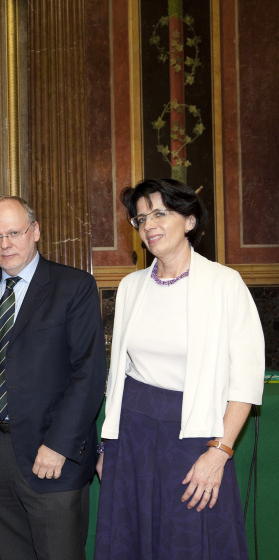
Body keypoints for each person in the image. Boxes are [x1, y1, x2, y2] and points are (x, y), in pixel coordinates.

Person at [94, 179, 264, 559]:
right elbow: (119, 375)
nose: (148, 224)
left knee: (190, 542)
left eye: (160, 213)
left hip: (194, 436)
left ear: (188, 220)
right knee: (131, 541)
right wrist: (109, 447)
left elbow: (247, 378)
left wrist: (220, 451)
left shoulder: (225, 284)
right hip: (132, 437)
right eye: (140, 218)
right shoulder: (130, 286)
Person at [0, 195, 107, 560]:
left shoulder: (73, 286)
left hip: (53, 452)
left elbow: (89, 373)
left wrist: (60, 444)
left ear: (36, 231)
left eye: (14, 232)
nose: (5, 244)